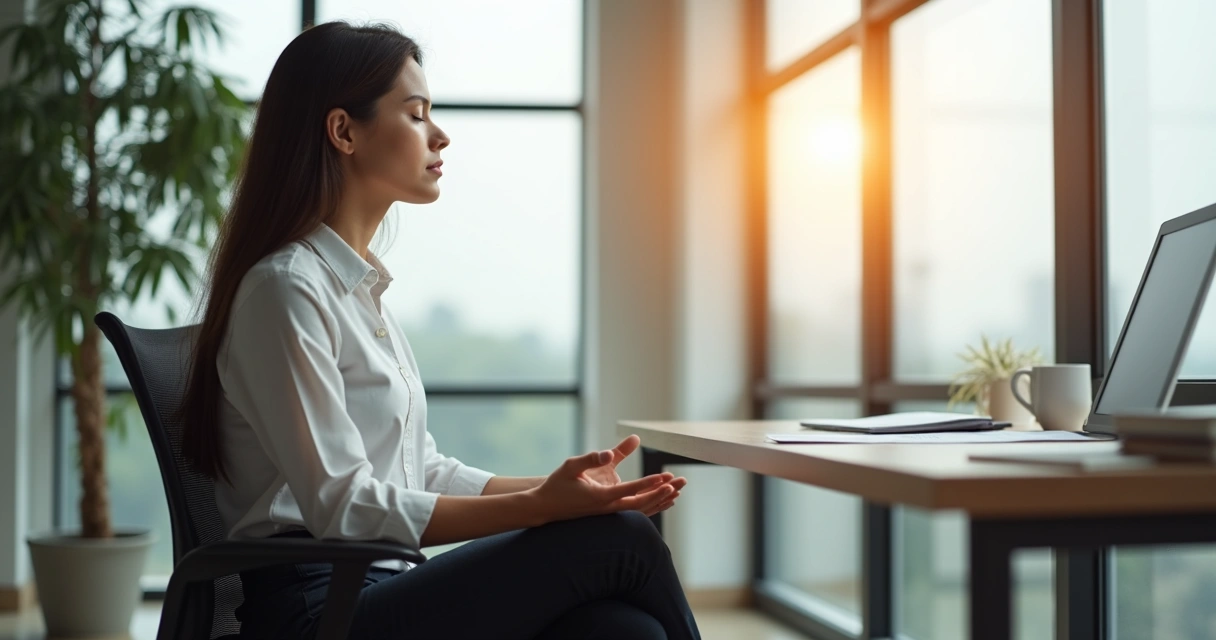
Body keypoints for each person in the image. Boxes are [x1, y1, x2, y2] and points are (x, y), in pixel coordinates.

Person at [178, 20, 701, 640]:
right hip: (320, 608)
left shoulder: (357, 288)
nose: (441, 135)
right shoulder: (286, 289)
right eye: (418, 114)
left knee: (620, 630)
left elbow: (417, 470)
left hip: (381, 581)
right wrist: (540, 509)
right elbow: (342, 506)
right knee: (623, 541)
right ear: (344, 131)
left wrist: (564, 490)